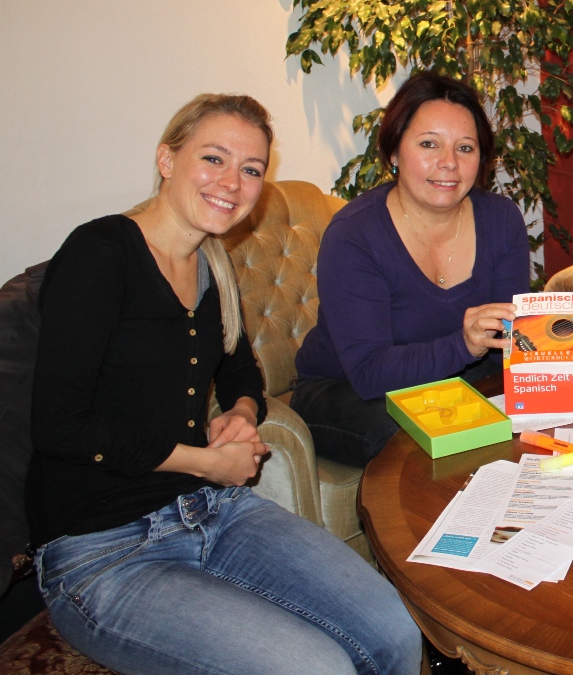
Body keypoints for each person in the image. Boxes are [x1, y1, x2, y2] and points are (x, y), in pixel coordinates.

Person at [27, 95, 421, 675]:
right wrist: (203, 462)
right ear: (167, 159)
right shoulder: (100, 254)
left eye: (251, 169)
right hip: (103, 550)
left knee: (397, 632)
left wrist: (240, 413)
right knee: (316, 668)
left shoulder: (211, 262)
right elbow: (58, 425)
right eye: (214, 158)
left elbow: (240, 370)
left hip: (211, 510)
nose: (233, 183)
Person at [293, 70, 529, 467]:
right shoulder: (355, 234)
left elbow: (505, 347)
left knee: (522, 417)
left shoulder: (501, 220)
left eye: (465, 148)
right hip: (345, 390)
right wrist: (463, 345)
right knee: (429, 440)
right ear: (393, 152)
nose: (448, 163)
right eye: (428, 144)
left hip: (452, 380)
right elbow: (369, 373)